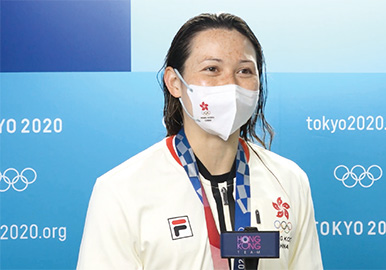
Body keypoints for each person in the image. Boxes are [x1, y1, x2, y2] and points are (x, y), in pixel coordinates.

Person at [77, 13, 322, 270]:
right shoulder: (121, 190)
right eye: (212, 69)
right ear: (174, 82)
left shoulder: (289, 180)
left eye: (244, 70)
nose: (230, 84)